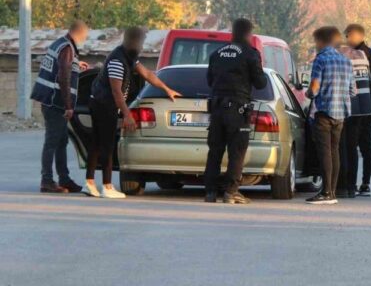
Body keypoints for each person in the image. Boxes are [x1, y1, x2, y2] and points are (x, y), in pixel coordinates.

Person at [85, 27, 182, 199]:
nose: (142, 45)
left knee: (97, 143)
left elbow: (146, 74)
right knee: (106, 145)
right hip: (103, 104)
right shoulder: (117, 60)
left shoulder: (128, 56)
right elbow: (116, 92)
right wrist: (128, 114)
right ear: (134, 41)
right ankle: (107, 187)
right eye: (141, 41)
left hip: (103, 102)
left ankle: (90, 183)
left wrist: (167, 89)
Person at [203, 18, 267, 204]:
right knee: (237, 151)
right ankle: (231, 192)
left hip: (216, 109)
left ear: (233, 31)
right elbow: (260, 83)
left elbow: (209, 81)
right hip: (238, 110)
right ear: (249, 33)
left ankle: (210, 192)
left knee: (214, 150)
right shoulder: (250, 54)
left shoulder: (216, 53)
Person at [30, 20, 90, 193]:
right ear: (78, 33)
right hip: (55, 102)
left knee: (61, 140)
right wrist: (68, 106)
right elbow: (63, 77)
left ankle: (64, 178)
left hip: (49, 99)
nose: (85, 37)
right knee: (52, 141)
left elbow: (63, 67)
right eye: (85, 34)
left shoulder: (59, 44)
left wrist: (77, 65)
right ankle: (47, 180)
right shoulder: (66, 49)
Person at [305, 26, 355, 205]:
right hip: (340, 114)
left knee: (324, 152)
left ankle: (325, 192)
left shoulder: (321, 59)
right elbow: (353, 90)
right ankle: (332, 191)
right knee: (335, 151)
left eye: (315, 41)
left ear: (321, 41)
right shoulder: (346, 61)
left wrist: (308, 94)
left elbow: (314, 88)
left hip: (324, 112)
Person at [344, 23, 371, 196]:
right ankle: (365, 184)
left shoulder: (357, 55)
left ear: (354, 36)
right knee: (366, 146)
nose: (346, 40)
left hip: (357, 107)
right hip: (369, 108)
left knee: (352, 145)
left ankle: (351, 184)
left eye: (347, 36)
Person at [333, 28, 371, 199]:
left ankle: (343, 186)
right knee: (353, 147)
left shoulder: (342, 57)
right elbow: (370, 80)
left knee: (343, 146)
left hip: (350, 105)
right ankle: (351, 186)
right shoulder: (363, 55)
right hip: (365, 106)